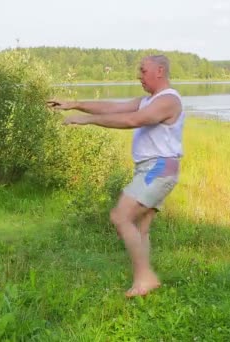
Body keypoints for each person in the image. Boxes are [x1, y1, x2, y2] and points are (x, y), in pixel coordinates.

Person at [47, 55, 184, 297]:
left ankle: (145, 278)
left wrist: (87, 120)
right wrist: (74, 104)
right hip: (152, 168)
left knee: (120, 216)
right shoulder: (148, 100)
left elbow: (133, 120)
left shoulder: (168, 100)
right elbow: (113, 107)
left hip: (158, 168)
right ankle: (143, 280)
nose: (138, 76)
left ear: (159, 71)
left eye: (143, 71)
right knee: (140, 228)